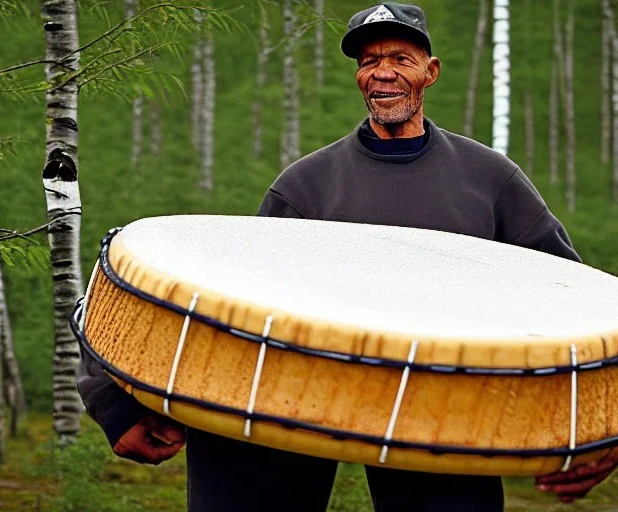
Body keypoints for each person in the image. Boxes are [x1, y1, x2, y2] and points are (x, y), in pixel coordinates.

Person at [77, 3, 618, 510]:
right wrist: (115, 402)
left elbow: (575, 302)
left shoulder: (490, 180)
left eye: (400, 59)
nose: (382, 72)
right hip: (298, 400)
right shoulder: (307, 186)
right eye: (369, 61)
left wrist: (604, 429)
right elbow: (229, 316)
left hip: (448, 410)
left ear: (430, 72)